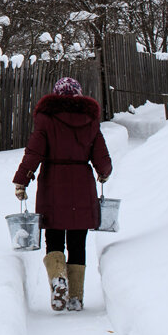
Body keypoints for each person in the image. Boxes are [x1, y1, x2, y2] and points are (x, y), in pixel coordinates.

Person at [12, 76, 112, 311]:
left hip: (53, 183)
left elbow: (33, 152)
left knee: (54, 238)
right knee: (78, 240)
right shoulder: (90, 120)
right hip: (81, 184)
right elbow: (102, 158)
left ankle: (58, 279)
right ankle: (76, 297)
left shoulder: (46, 120)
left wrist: (21, 181)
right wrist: (104, 173)